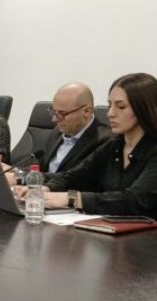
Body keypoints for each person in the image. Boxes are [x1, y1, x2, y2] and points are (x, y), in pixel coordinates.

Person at [17, 72, 157, 216]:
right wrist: (45, 189)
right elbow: (74, 177)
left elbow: (137, 200)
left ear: (145, 109)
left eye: (121, 107)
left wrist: (73, 199)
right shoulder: (114, 146)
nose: (110, 113)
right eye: (110, 105)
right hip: (108, 225)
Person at [38, 82, 112, 174]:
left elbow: (76, 177)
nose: (54, 119)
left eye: (62, 113)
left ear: (86, 111)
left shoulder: (104, 141)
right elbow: (40, 165)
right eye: (54, 111)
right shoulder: (57, 132)